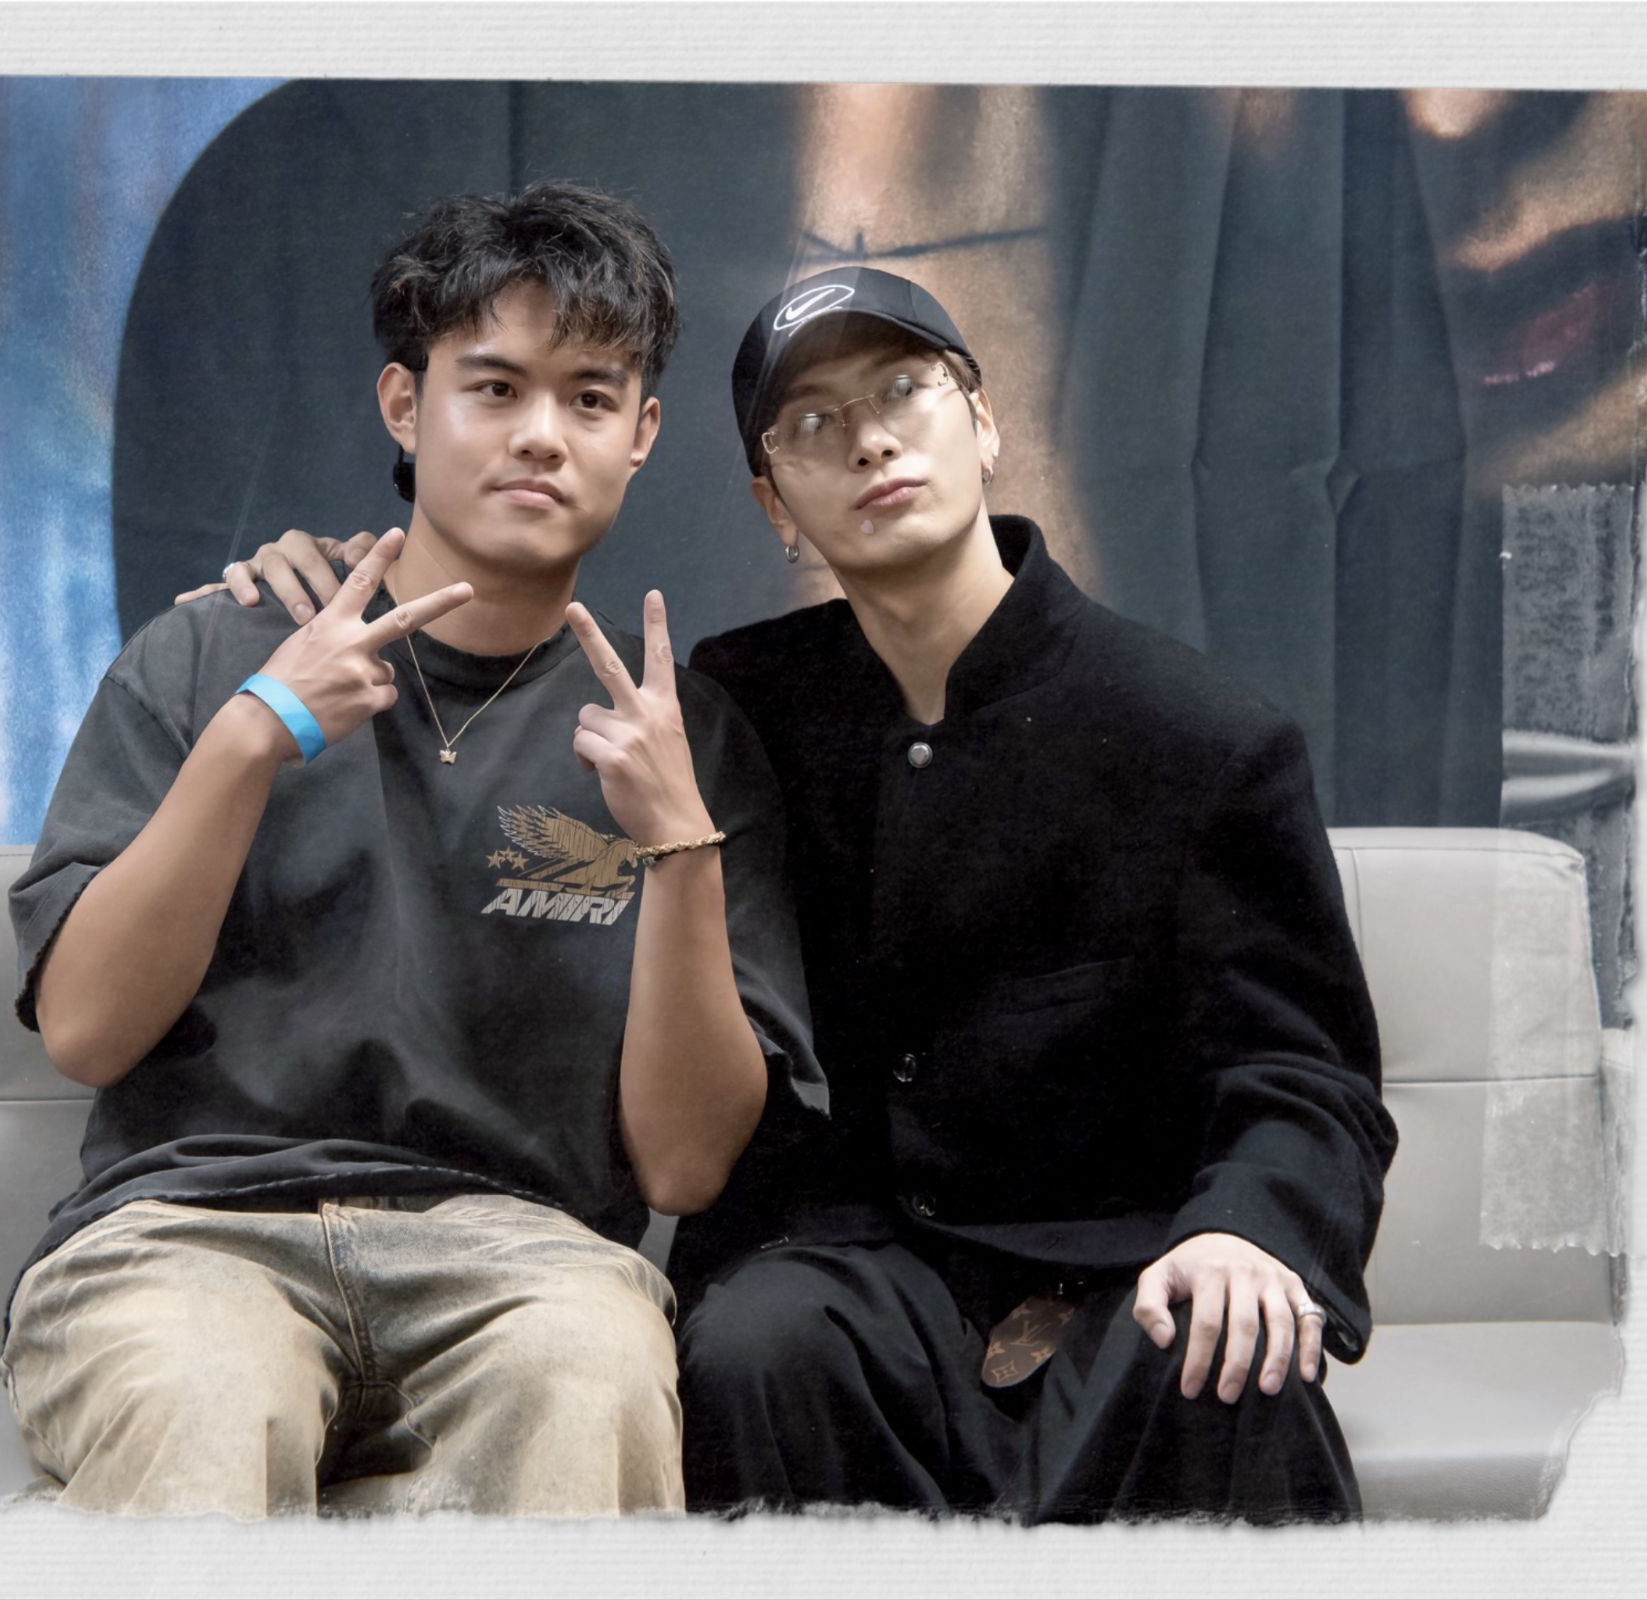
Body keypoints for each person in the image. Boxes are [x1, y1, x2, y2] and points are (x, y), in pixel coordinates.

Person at [211, 266, 1396, 1525]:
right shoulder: (742, 706)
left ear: (983, 421)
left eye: (903, 390)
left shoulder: (1196, 734)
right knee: (751, 1345)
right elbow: (520, 661)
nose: (870, 439)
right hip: (847, 1277)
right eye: (814, 422)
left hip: (1118, 1262)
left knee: (1223, 1354)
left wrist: (1247, 1227)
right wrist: (329, 571)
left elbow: (1303, 1074)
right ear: (774, 500)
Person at [3, 183, 820, 1520]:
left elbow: (682, 1170)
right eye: (492, 388)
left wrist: (681, 845)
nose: (540, 434)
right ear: (405, 405)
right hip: (191, 1235)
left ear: (640, 435)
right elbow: (87, 1033)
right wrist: (255, 731)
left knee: (592, 1375)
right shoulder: (212, 650)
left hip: (526, 1259)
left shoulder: (686, 743)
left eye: (589, 398)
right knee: (205, 1391)